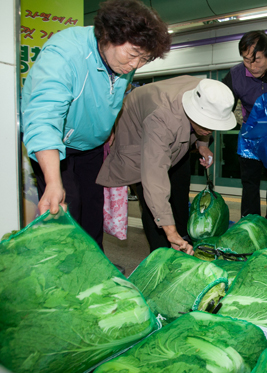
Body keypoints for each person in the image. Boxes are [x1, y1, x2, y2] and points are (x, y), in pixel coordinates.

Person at [21, 0, 171, 250]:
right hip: (58, 146)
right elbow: (43, 117)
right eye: (133, 55)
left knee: (93, 211)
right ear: (108, 35)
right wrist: (52, 182)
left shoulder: (122, 63)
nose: (135, 65)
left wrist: (110, 125)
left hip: (91, 146)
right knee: (68, 212)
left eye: (144, 59)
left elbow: (113, 95)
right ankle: (69, 279)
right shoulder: (65, 54)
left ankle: (95, 272)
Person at [96, 78, 236, 254]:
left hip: (173, 132)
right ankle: (160, 252)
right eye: (207, 125)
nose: (211, 130)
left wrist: (203, 145)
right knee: (152, 199)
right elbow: (154, 177)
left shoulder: (209, 93)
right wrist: (170, 231)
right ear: (193, 111)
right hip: (138, 135)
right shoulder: (161, 119)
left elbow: (204, 125)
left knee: (179, 188)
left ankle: (183, 236)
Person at [222, 31, 267, 240]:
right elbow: (221, 106)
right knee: (249, 183)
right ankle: (249, 226)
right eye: (246, 60)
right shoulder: (235, 75)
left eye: (256, 60)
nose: (251, 66)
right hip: (251, 137)